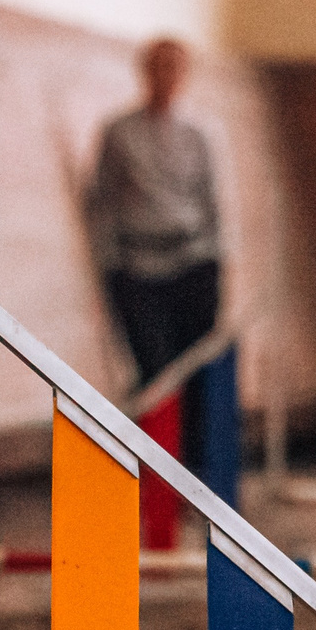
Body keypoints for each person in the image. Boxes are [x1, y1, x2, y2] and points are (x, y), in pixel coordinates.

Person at [86, 37, 223, 403]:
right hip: (137, 263)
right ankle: (152, 452)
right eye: (158, 66)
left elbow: (212, 202)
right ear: (145, 71)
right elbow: (102, 200)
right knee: (153, 366)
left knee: (195, 366)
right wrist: (109, 261)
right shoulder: (119, 132)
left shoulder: (200, 134)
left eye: (174, 67)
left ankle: (191, 457)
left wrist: (216, 258)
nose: (167, 75)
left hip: (191, 259)